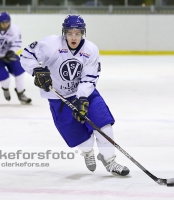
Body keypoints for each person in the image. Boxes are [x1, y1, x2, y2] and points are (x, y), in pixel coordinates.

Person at [20, 15, 130, 176]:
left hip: (87, 95)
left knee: (103, 126)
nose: (73, 37)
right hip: (59, 98)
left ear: (83, 33)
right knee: (84, 141)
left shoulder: (90, 49)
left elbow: (89, 77)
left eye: (77, 33)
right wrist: (36, 70)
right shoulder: (51, 44)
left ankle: (110, 161)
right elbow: (27, 55)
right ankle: (88, 153)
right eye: (70, 33)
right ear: (64, 32)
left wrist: (82, 98)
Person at [0, 12, 31, 104]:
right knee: (5, 79)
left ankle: (21, 94)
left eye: (6, 22)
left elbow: (17, 43)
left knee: (20, 73)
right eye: (2, 23)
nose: (5, 25)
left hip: (9, 55)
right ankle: (5, 88)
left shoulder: (15, 29)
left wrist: (11, 52)